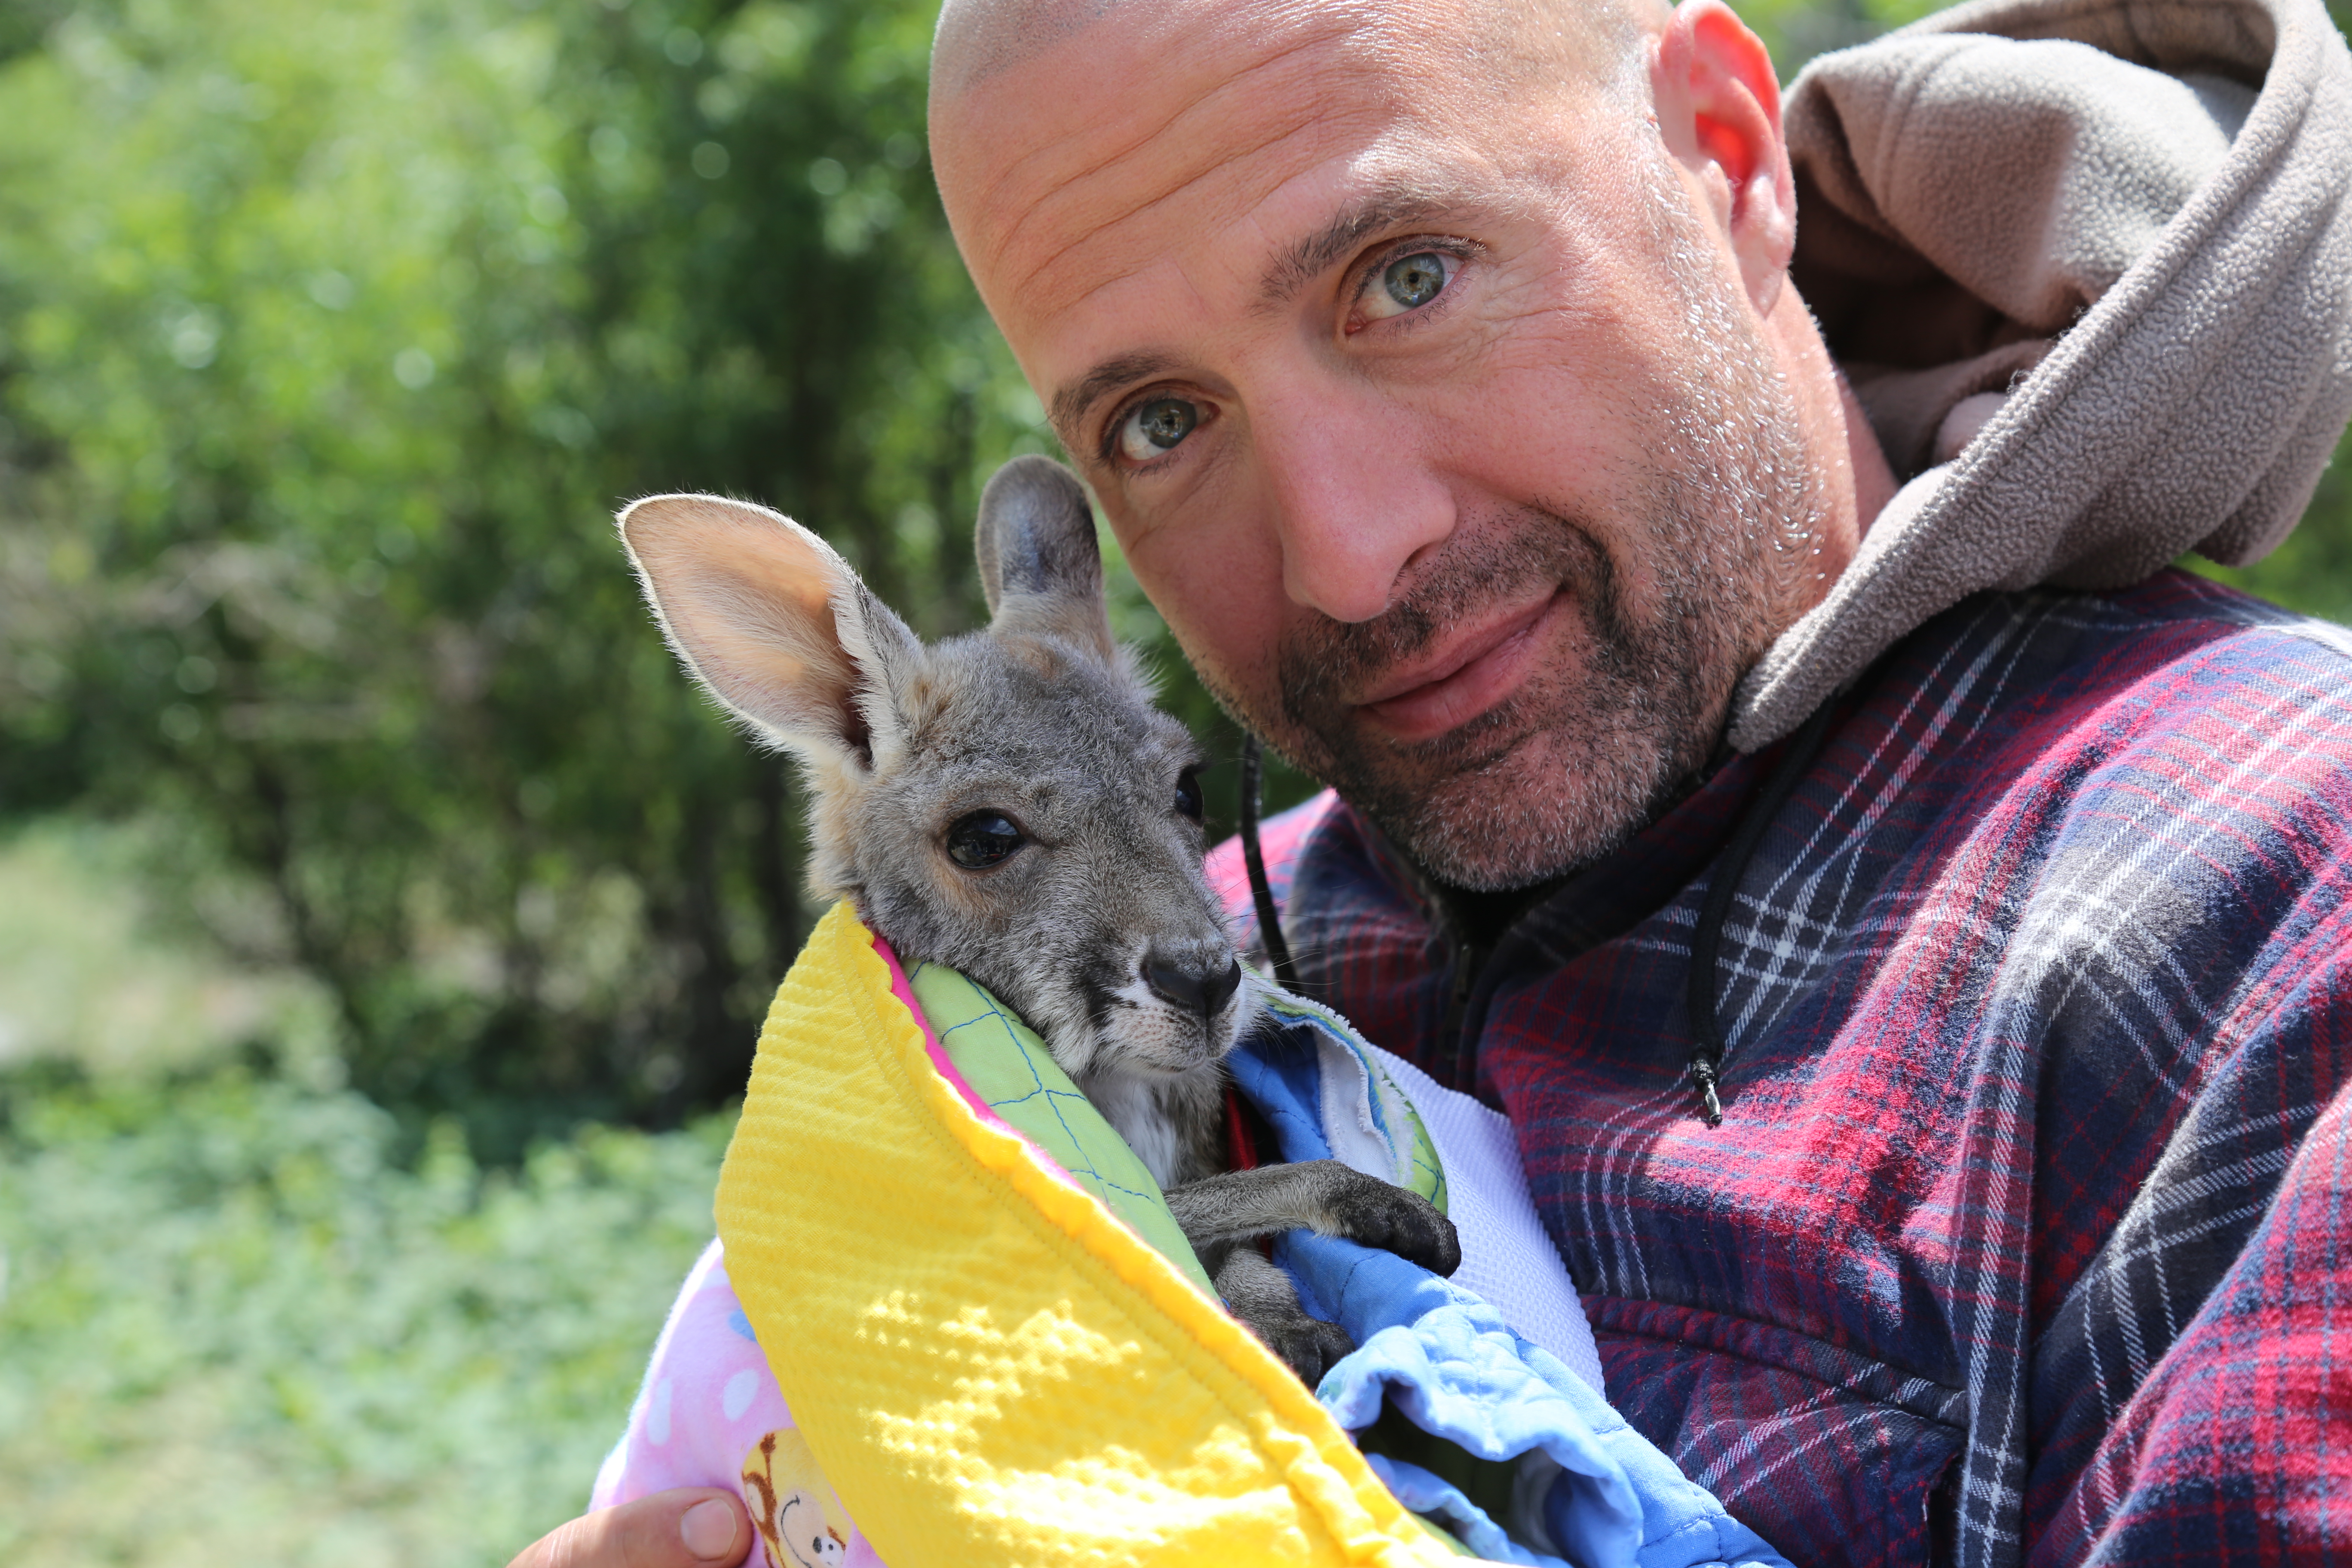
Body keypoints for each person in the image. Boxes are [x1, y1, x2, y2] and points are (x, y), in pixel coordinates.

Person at [513, 0, 2352, 1560]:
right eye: (1162, 423)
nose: (1346, 558)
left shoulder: (2266, 888)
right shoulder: (1214, 942)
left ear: (1723, 154)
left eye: (1407, 277)